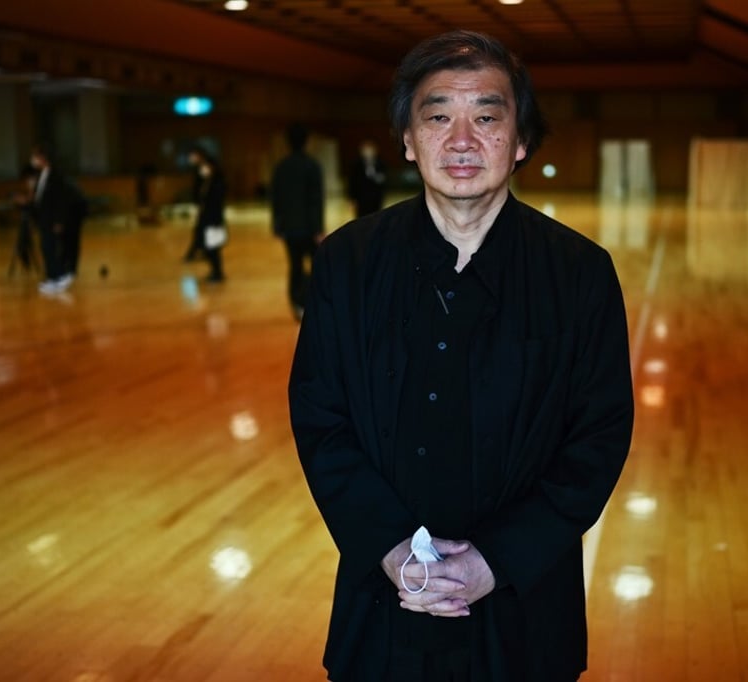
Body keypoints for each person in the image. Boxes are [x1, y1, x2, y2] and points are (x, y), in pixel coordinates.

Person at [289, 30, 634, 682]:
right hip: (383, 605)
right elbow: (320, 416)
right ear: (408, 141)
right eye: (438, 116)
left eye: (487, 116)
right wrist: (391, 550)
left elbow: (599, 436)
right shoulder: (346, 262)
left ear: (522, 139)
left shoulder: (580, 273)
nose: (462, 139)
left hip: (525, 611)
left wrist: (497, 559)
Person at [271, 122, 324, 318]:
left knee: (294, 265)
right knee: (317, 265)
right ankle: (314, 300)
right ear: (306, 142)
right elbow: (316, 200)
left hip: (289, 228)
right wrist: (318, 228)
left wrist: (277, 226)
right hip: (309, 228)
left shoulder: (280, 167)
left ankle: (296, 303)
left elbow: (275, 199)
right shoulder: (312, 165)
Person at [29, 144, 85, 295]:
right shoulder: (41, 175)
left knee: (51, 248)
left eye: (36, 157)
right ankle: (52, 278)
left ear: (42, 158)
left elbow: (60, 201)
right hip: (44, 219)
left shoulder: (56, 176)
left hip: (52, 219)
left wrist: (59, 221)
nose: (33, 160)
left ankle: (58, 276)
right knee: (46, 248)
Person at [189, 147, 227, 283]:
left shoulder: (217, 183)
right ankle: (215, 271)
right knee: (209, 247)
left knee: (213, 247)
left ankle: (217, 272)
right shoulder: (206, 182)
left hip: (213, 219)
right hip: (207, 218)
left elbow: (215, 202)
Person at [347, 139, 387, 217]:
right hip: (361, 200)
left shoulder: (380, 163)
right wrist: (351, 198)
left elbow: (384, 180)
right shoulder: (356, 165)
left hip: (376, 199)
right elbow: (352, 182)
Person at [182, 147, 207, 262]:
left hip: (205, 205)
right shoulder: (199, 168)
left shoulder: (204, 167)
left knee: (200, 229)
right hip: (201, 204)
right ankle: (201, 251)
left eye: (193, 156)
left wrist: (202, 202)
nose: (191, 158)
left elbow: (206, 186)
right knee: (201, 229)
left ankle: (193, 252)